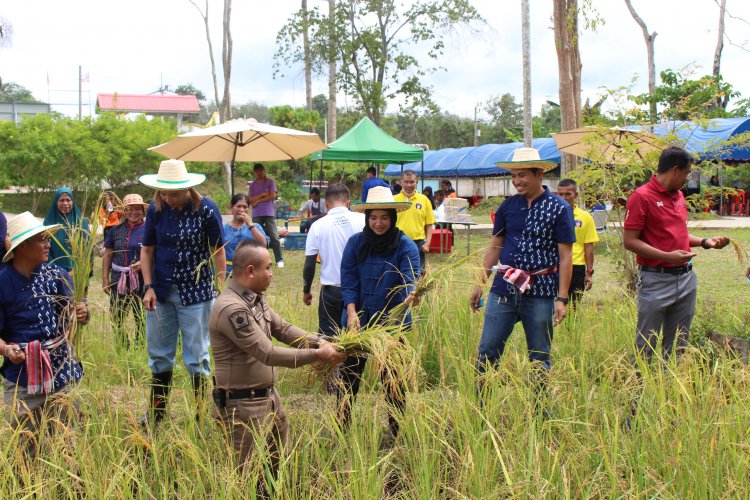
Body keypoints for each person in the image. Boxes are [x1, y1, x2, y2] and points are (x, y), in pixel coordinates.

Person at [209, 239, 345, 481]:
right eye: (268, 267)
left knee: (278, 469)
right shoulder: (232, 308)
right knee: (246, 479)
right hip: (243, 407)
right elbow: (267, 353)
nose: (272, 274)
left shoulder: (254, 298)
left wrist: (319, 341)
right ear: (251, 271)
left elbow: (283, 329)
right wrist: (317, 355)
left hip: (269, 399)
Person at [470, 148, 575, 410]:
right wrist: (480, 283)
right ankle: (481, 409)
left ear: (539, 174)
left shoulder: (559, 209)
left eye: (523, 175)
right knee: (488, 352)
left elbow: (565, 257)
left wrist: (562, 299)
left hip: (541, 292)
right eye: (514, 176)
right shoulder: (508, 206)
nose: (517, 181)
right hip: (503, 289)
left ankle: (541, 414)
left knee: (540, 355)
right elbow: (495, 246)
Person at [138, 159, 227, 427]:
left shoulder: (206, 210)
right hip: (162, 291)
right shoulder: (156, 209)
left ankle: (201, 415)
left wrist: (220, 289)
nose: (169, 198)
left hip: (196, 293)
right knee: (159, 354)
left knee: (197, 355)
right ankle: (157, 413)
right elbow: (147, 250)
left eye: (174, 193)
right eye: (164, 192)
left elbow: (218, 250)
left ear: (188, 189)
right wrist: (149, 286)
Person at [624, 146, 729, 365]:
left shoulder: (679, 196)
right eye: (686, 172)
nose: (687, 177)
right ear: (674, 170)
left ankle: (670, 389)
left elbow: (678, 233)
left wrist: (705, 242)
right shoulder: (641, 197)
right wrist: (667, 256)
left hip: (686, 278)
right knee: (646, 342)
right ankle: (636, 393)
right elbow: (630, 241)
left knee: (679, 344)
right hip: (656, 280)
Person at [0, 212, 89, 455]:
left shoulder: (57, 274)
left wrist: (82, 314)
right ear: (22, 246)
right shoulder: (3, 283)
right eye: (42, 239)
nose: (48, 244)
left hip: (62, 370)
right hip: (22, 377)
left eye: (47, 238)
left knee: (65, 442)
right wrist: (7, 349)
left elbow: (73, 312)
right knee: (24, 447)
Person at [340, 187, 420, 438]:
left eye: (384, 217)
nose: (378, 223)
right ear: (367, 218)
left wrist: (411, 295)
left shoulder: (406, 246)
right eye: (373, 217)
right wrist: (352, 313)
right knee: (349, 378)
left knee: (393, 380)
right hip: (359, 321)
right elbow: (349, 279)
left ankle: (397, 431)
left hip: (392, 323)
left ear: (393, 217)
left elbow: (410, 279)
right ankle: (342, 428)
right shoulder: (355, 243)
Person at [302, 184, 365, 338]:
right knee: (357, 337)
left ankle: (330, 362)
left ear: (326, 204)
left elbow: (309, 264)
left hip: (331, 291)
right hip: (360, 289)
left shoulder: (317, 226)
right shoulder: (363, 220)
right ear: (348, 202)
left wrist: (306, 290)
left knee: (327, 338)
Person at [102, 194, 149, 349]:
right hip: (118, 279)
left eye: (137, 209)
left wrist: (144, 263)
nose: (133, 212)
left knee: (141, 317)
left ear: (143, 210)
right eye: (129, 209)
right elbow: (108, 254)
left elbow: (156, 253)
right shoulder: (115, 231)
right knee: (117, 317)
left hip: (142, 280)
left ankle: (140, 346)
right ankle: (123, 346)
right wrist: (105, 279)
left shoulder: (150, 230)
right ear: (124, 211)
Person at [557, 179, 599, 305]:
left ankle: (572, 326)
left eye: (568, 194)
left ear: (575, 195)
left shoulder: (585, 217)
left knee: (572, 307)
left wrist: (589, 272)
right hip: (554, 265)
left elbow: (588, 247)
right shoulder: (552, 214)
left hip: (576, 266)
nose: (564, 198)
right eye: (560, 194)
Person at [393, 170, 436, 274]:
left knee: (419, 273)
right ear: (401, 182)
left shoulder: (424, 200)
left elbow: (429, 224)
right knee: (398, 271)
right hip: (398, 241)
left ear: (417, 182)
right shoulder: (393, 200)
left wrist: (428, 244)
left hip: (418, 243)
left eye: (412, 182)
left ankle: (417, 290)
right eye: (406, 182)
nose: (409, 185)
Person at [44, 187, 90, 273]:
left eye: (68, 200)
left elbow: (87, 249)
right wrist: (57, 271)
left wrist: (76, 271)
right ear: (56, 202)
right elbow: (45, 249)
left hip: (78, 275)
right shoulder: (49, 223)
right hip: (55, 274)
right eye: (62, 200)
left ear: (72, 202)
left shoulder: (81, 222)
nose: (65, 203)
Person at [248, 163, 284, 268]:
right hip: (256, 213)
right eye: (257, 171)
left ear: (264, 171)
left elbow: (272, 196)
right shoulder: (252, 185)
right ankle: (258, 260)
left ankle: (279, 260)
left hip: (269, 212)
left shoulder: (270, 182)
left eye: (261, 170)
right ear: (254, 173)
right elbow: (250, 200)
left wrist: (258, 200)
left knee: (274, 236)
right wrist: (263, 195)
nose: (259, 173)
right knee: (256, 237)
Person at [223, 194, 269, 276]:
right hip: (227, 271)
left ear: (249, 209)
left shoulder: (256, 227)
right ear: (231, 207)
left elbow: (263, 244)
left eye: (245, 207)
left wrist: (250, 225)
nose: (242, 210)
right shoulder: (223, 228)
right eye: (238, 206)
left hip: (249, 272)